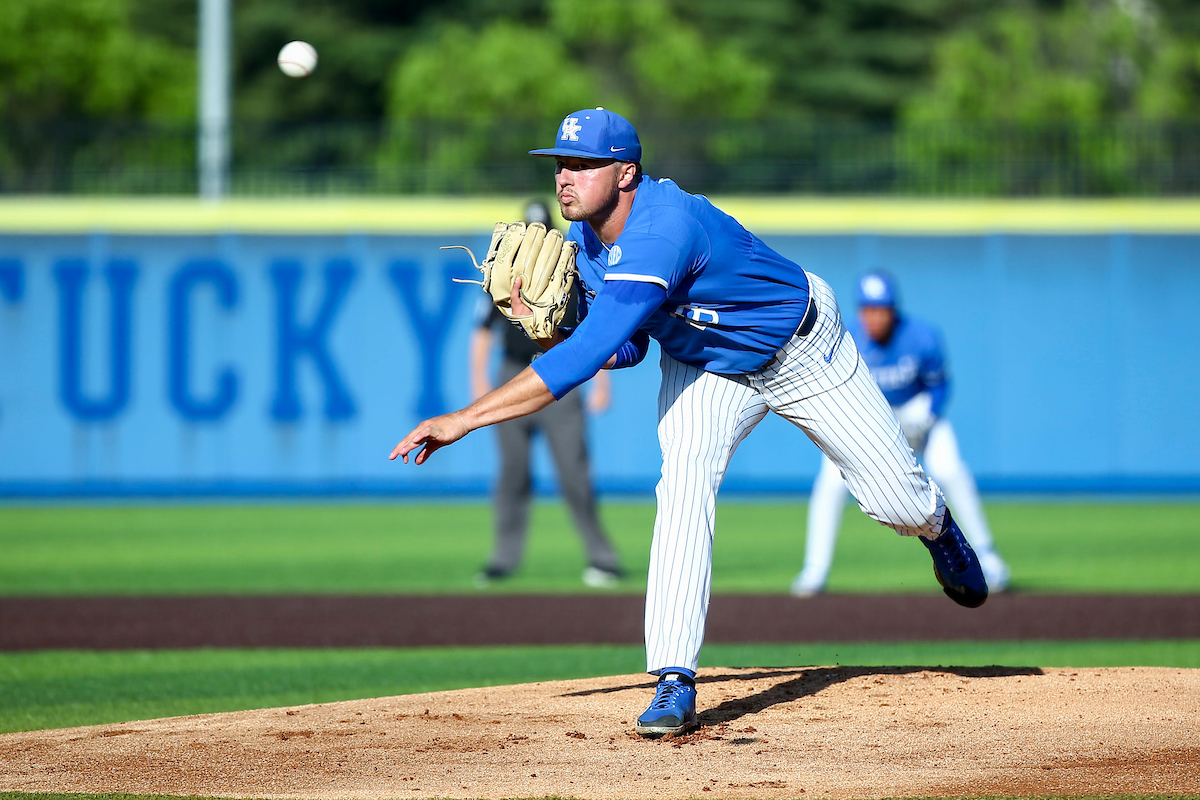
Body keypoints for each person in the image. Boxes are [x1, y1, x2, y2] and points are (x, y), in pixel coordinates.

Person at [391, 108, 989, 738]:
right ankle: (673, 677)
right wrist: (562, 321)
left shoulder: (663, 227)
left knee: (897, 502)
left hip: (800, 346)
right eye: (560, 164)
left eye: (584, 164)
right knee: (681, 484)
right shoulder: (587, 247)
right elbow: (629, 348)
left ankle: (938, 528)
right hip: (704, 367)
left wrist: (466, 417)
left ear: (626, 173)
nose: (565, 176)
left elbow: (588, 357)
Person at [791, 271, 1011, 597]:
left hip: (916, 414)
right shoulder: (845, 335)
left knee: (951, 471)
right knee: (830, 482)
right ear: (860, 310)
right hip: (868, 420)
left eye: (881, 309)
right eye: (868, 309)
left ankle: (988, 558)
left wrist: (931, 415)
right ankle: (815, 569)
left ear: (894, 310)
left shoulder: (921, 336)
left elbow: (939, 384)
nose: (875, 317)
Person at [469, 200, 624, 589]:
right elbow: (482, 332)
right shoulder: (503, 276)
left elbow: (596, 335)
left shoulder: (571, 272)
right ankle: (503, 559)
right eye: (531, 229)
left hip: (561, 376)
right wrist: (479, 382)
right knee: (512, 474)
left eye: (542, 229)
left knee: (575, 473)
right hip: (513, 374)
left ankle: (602, 558)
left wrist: (601, 384)